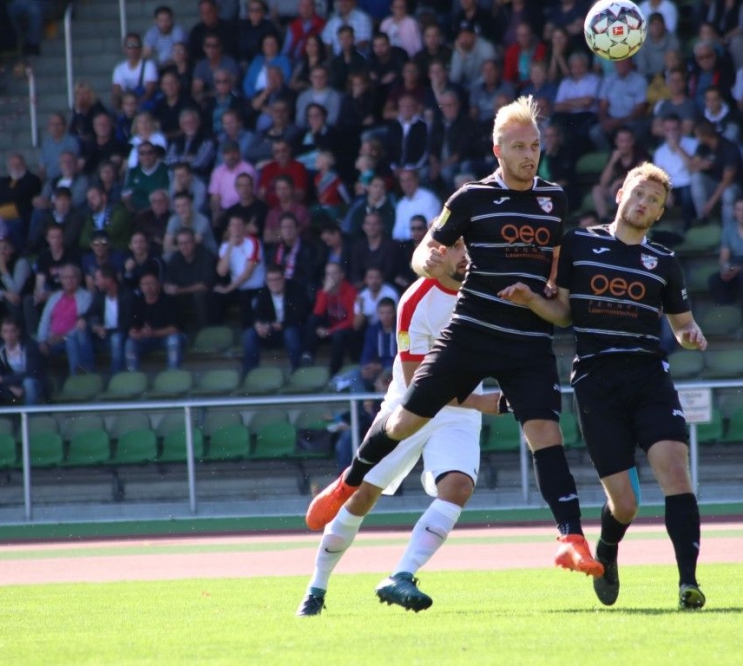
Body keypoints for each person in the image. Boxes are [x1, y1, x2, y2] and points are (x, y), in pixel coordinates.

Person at [306, 96, 603, 578]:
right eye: (519, 147)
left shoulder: (554, 199)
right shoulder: (470, 198)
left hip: (527, 339)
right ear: (498, 150)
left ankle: (571, 537)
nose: (530, 155)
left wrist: (548, 285)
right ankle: (348, 481)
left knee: (547, 436)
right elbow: (428, 247)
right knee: (403, 419)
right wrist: (425, 258)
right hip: (472, 331)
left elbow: (551, 257)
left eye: (535, 146)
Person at [498, 162, 707, 610]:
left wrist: (690, 336)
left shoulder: (664, 262)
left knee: (676, 473)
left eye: (654, 201)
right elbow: (564, 314)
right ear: (619, 195)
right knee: (625, 505)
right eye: (639, 194)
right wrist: (532, 299)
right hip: (597, 383)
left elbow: (683, 325)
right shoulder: (578, 243)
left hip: (649, 378)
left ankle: (688, 583)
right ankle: (608, 550)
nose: (644, 203)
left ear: (659, 214)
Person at [296, 241, 500, 616]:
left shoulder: (487, 290)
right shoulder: (416, 300)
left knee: (458, 488)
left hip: (458, 413)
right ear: (437, 253)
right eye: (456, 246)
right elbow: (418, 382)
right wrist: (479, 402)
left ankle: (402, 575)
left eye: (468, 245)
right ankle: (316, 588)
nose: (465, 254)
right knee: (361, 496)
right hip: (409, 406)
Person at [242, 266, 309, 373]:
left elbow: (299, 316)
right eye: (270, 280)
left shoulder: (296, 290)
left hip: (294, 331)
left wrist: (278, 325)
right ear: (266, 281)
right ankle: (249, 373)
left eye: (277, 279)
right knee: (250, 334)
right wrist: (259, 325)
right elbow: (257, 314)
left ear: (283, 279)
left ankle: (297, 371)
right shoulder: (264, 293)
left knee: (290, 333)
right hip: (272, 332)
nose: (274, 283)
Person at [0, 317, 45, 408]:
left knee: (29, 383)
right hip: (10, 383)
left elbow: (30, 373)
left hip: (32, 382)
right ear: (1, 334)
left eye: (12, 331)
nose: (9, 335)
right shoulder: (0, 348)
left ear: (18, 332)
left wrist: (3, 380)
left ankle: (30, 415)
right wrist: (10, 385)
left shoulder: (29, 346)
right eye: (5, 331)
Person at [125, 272, 183, 371]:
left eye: (151, 283)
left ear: (158, 285)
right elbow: (132, 325)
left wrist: (153, 333)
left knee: (174, 340)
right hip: (147, 339)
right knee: (130, 343)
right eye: (145, 284)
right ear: (140, 287)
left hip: (165, 338)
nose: (148, 287)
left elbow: (175, 329)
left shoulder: (169, 301)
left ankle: (173, 374)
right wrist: (134, 333)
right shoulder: (137, 302)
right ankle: (133, 375)